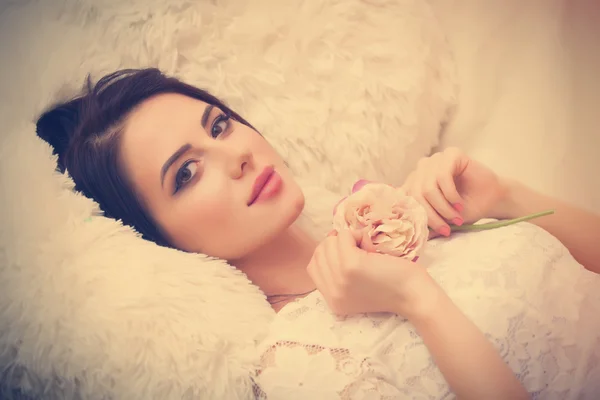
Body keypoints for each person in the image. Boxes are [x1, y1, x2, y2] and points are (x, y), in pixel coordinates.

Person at [35, 68, 600, 399]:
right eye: (185, 173)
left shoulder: (394, 207)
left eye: (219, 125)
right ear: (156, 239)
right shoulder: (300, 365)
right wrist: (415, 298)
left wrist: (505, 196)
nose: (234, 155)